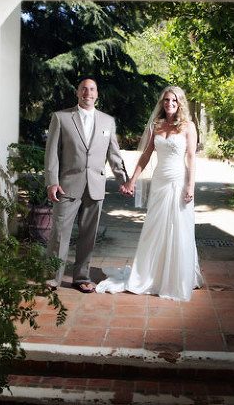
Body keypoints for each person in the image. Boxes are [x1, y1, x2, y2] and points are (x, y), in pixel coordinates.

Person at [96, 86, 204, 302]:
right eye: (166, 100)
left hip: (178, 181)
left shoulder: (188, 127)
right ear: (162, 103)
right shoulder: (157, 125)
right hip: (160, 181)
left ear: (180, 102)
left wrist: (190, 186)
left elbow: (191, 157)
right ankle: (151, 275)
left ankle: (177, 277)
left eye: (174, 100)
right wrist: (132, 180)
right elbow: (145, 155)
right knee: (156, 226)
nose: (169, 104)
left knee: (178, 226)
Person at [44, 78, 130, 293]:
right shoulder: (61, 118)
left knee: (88, 235)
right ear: (78, 92)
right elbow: (52, 154)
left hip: (95, 186)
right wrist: (52, 182)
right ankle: (52, 278)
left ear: (97, 94)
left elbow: (114, 154)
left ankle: (81, 277)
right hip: (66, 186)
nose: (87, 93)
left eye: (92, 89)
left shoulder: (107, 121)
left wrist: (123, 180)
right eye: (84, 89)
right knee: (60, 233)